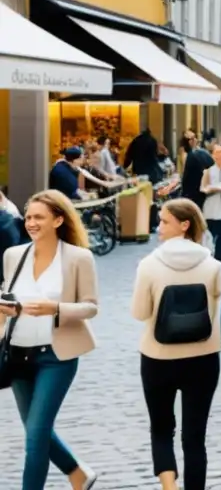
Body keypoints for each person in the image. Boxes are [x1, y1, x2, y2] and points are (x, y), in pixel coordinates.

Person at [0, 190, 99, 490]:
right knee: (35, 430)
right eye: (28, 217)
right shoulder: (13, 255)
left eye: (38, 217)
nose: (30, 222)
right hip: (18, 352)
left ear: (58, 220)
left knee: (36, 434)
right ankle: (77, 473)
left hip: (57, 356)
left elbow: (91, 306)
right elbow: (7, 296)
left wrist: (55, 308)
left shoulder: (79, 257)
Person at [131, 198, 221, 490]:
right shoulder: (212, 265)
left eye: (164, 221)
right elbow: (218, 306)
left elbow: (140, 313)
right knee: (195, 435)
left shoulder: (148, 265)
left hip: (158, 357)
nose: (158, 226)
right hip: (203, 356)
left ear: (184, 225)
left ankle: (169, 487)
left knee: (161, 428)